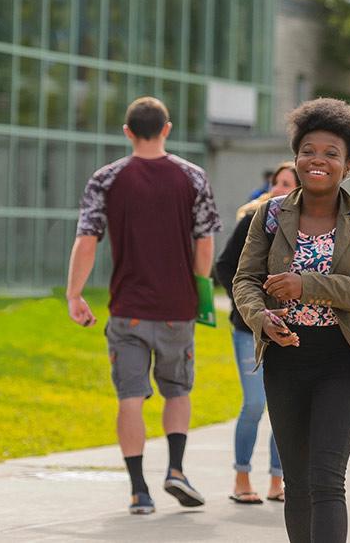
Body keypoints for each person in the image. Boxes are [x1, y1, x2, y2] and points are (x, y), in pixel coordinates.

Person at [233, 97, 350, 542]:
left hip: (340, 359)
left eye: (330, 153)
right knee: (297, 483)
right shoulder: (269, 214)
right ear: (296, 156)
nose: (317, 159)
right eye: (308, 150)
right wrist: (260, 318)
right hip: (286, 357)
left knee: (326, 480)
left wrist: (309, 285)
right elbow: (245, 280)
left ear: (346, 165)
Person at [65, 96, 220, 515]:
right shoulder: (193, 177)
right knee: (178, 390)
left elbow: (87, 239)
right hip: (177, 308)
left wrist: (74, 294)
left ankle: (139, 491)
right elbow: (205, 240)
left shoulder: (107, 179)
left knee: (130, 398)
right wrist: (199, 287)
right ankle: (176, 469)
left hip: (127, 309)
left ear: (128, 132)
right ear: (166, 129)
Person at [215, 161, 298, 505]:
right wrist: (248, 305)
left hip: (289, 329)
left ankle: (277, 481)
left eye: (289, 184)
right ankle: (241, 477)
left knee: (284, 406)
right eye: (278, 183)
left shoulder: (310, 229)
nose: (282, 189)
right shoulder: (252, 221)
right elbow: (223, 266)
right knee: (254, 403)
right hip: (247, 329)